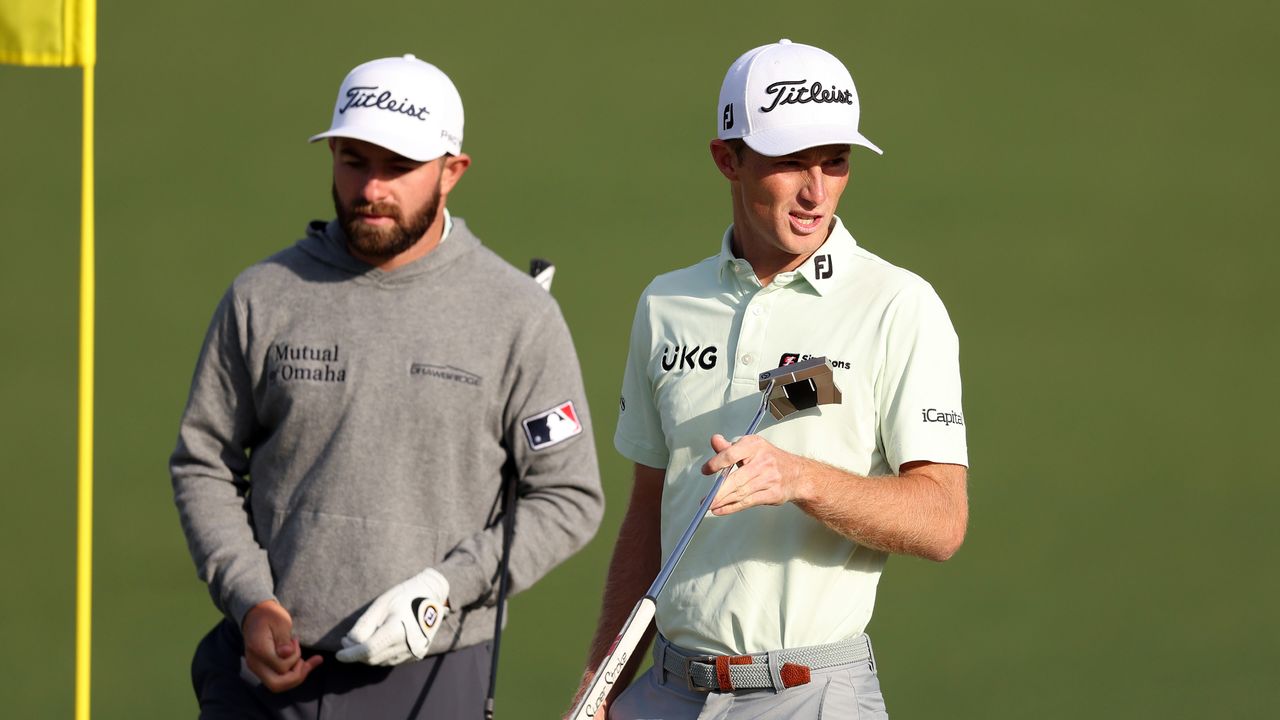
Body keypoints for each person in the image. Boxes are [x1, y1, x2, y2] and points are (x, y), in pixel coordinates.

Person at [170, 54, 604, 719]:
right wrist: (249, 596)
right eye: (353, 161)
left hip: (432, 679)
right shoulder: (264, 297)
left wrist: (443, 590)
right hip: (265, 677)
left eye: (398, 168)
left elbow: (567, 496)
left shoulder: (517, 315)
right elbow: (204, 463)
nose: (371, 188)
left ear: (452, 171)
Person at [571, 39, 969, 719]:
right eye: (790, 164)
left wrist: (800, 479)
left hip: (808, 694)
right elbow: (649, 511)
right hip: (664, 690)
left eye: (836, 162)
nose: (817, 191)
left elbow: (942, 520)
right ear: (728, 158)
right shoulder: (666, 303)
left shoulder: (899, 305)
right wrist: (601, 684)